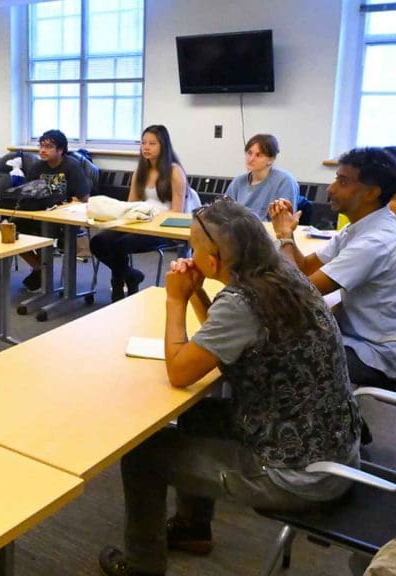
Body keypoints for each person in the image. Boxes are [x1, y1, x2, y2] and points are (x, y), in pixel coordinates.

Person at [99, 200, 361, 576]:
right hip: (332, 448)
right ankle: (192, 528)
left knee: (144, 457)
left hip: (299, 473)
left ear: (214, 259)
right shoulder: (282, 276)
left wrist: (176, 301)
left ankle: (143, 566)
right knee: (193, 415)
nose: (190, 254)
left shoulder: (243, 302)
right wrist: (197, 294)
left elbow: (180, 372)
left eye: (194, 248)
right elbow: (226, 338)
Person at [269, 147, 396, 391]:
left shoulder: (375, 241)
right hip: (360, 338)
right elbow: (304, 268)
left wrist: (285, 236)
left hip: (376, 356)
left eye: (343, 182)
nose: (331, 189)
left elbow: (300, 292)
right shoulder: (359, 228)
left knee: (272, 354)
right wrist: (288, 237)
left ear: (371, 193)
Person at [90, 125, 196, 301]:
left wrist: (151, 218)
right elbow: (131, 204)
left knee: (120, 245)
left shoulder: (174, 171)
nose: (146, 147)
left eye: (152, 143)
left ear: (163, 146)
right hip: (138, 221)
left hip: (163, 227)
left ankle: (117, 285)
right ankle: (131, 275)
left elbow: (177, 211)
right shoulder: (140, 171)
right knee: (98, 242)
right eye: (143, 143)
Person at [18, 129, 92, 291]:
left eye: (49, 147)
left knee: (47, 232)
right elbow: (26, 193)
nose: (42, 150)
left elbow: (83, 198)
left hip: (64, 220)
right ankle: (40, 268)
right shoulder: (37, 167)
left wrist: (62, 204)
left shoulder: (72, 166)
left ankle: (43, 271)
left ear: (60, 150)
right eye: (41, 146)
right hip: (39, 215)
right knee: (12, 230)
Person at [223, 134, 299, 220]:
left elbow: (285, 219)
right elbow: (224, 213)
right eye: (249, 153)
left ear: (271, 160)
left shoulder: (284, 181)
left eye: (258, 155)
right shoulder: (238, 182)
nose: (251, 159)